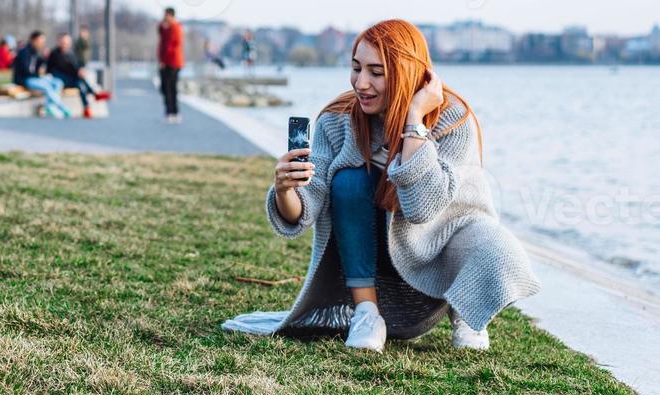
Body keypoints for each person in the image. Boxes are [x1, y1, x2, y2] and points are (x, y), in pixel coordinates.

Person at [222, 19, 540, 352]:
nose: (361, 83)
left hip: (438, 262)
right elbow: (304, 209)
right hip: (377, 266)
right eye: (356, 68)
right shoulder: (338, 120)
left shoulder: (452, 120)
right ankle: (366, 314)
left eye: (376, 72)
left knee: (497, 246)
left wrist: (414, 119)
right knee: (348, 180)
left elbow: (421, 209)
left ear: (405, 74)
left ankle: (467, 314)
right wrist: (286, 189)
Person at [12, 30, 69, 118]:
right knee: (47, 86)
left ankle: (50, 106)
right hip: (24, 79)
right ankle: (62, 107)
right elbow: (28, 70)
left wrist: (44, 58)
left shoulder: (35, 52)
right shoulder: (24, 52)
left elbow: (37, 67)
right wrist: (39, 74)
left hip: (34, 77)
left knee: (57, 82)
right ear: (33, 40)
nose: (41, 44)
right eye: (40, 41)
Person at [46, 32, 96, 118]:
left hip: (73, 79)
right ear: (59, 42)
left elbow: (77, 65)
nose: (65, 45)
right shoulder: (54, 54)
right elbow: (50, 69)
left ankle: (87, 107)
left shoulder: (71, 53)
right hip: (61, 79)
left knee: (80, 84)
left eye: (67, 43)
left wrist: (80, 70)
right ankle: (93, 93)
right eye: (63, 42)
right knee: (79, 80)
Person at [157, 7, 183, 123]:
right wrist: (162, 24)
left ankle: (173, 112)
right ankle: (169, 111)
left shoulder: (175, 28)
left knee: (171, 87)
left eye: (166, 15)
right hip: (165, 62)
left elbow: (171, 46)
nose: (164, 17)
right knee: (164, 87)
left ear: (171, 16)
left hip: (173, 62)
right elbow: (160, 33)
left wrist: (163, 60)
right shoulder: (166, 28)